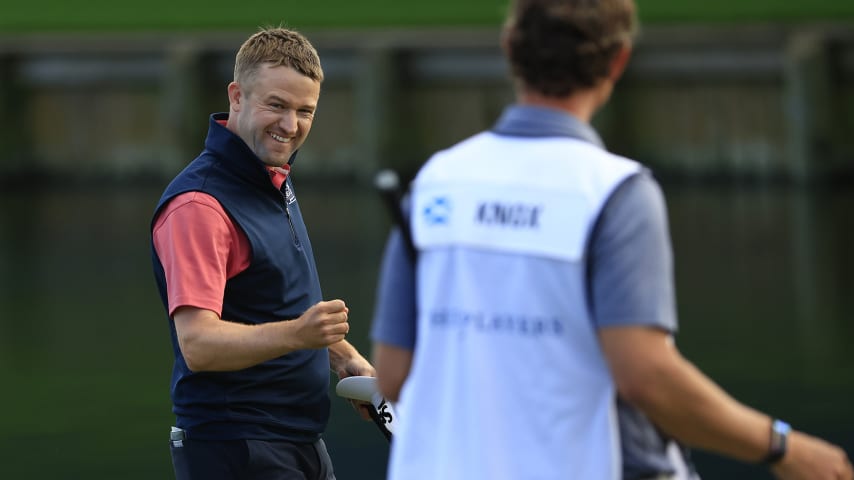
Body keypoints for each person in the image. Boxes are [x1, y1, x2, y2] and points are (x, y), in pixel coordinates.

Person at [369, 1, 854, 479]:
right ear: (618, 61)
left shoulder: (435, 183)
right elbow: (646, 377)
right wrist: (783, 447)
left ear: (510, 48)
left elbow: (392, 375)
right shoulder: (614, 191)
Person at [151, 27, 374, 480]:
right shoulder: (200, 205)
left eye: (304, 111)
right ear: (237, 96)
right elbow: (199, 344)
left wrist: (345, 359)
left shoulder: (270, 176)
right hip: (236, 451)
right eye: (276, 105)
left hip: (298, 442)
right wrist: (300, 334)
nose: (290, 126)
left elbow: (273, 301)